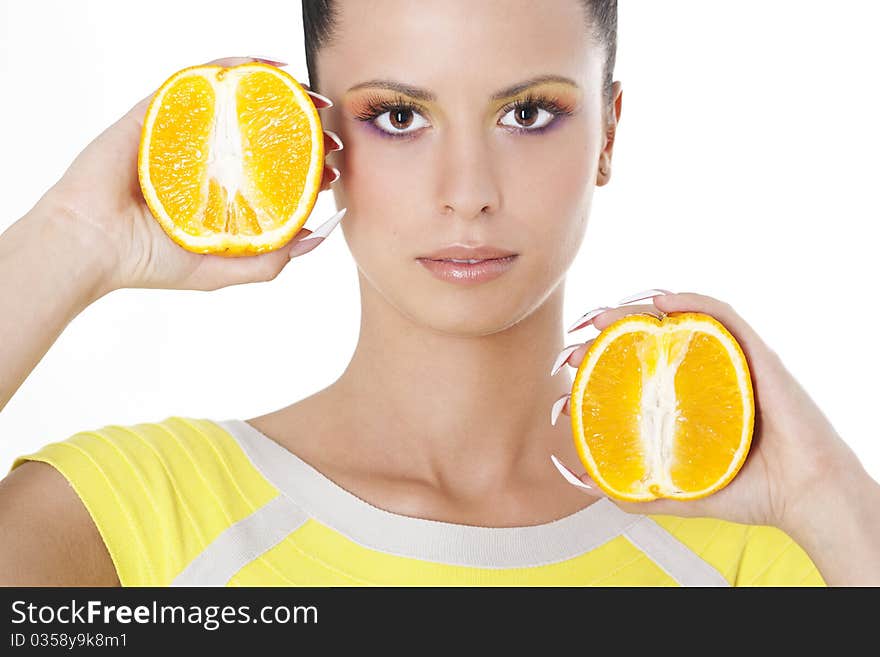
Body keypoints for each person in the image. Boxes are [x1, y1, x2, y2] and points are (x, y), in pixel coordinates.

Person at [1, 0, 878, 587]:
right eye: (400, 116)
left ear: (609, 133)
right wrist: (71, 237)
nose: (468, 191)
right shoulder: (133, 517)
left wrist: (828, 490)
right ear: (312, 134)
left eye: (528, 113)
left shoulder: (763, 553)